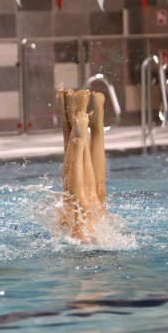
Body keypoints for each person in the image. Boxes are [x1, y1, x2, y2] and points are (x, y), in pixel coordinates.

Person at [56, 88, 107, 243]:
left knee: (92, 200)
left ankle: (85, 126)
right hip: (89, 245)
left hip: (90, 245)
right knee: (83, 204)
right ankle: (78, 130)